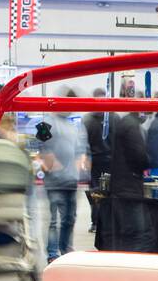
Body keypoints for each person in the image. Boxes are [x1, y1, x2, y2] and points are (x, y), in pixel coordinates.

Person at [95, 111, 151, 252]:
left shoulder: (124, 123)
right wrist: (150, 161)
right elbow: (139, 156)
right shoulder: (131, 125)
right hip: (129, 188)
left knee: (127, 234)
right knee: (140, 234)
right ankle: (133, 268)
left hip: (121, 187)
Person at [39, 91, 84, 262]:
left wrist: (79, 164)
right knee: (53, 221)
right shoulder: (46, 122)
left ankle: (65, 249)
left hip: (71, 180)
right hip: (54, 182)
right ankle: (52, 254)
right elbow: (41, 146)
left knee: (69, 219)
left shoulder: (73, 126)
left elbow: (80, 150)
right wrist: (52, 165)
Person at [83, 88, 112, 237]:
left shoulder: (109, 117)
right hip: (96, 162)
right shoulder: (89, 120)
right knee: (97, 193)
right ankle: (97, 222)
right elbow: (83, 142)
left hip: (105, 161)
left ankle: (100, 222)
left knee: (100, 193)